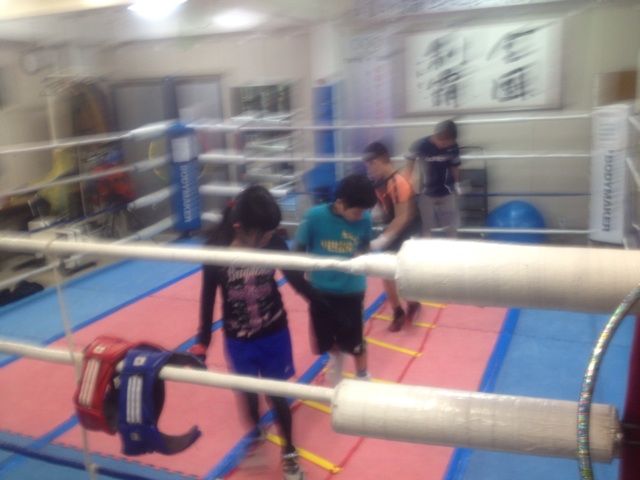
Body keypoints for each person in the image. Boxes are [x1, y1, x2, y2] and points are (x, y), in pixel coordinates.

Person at [189, 185, 318, 480]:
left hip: (274, 333)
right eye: (265, 233)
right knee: (247, 395)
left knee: (277, 395)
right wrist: (202, 342)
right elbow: (208, 297)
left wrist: (322, 303)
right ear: (242, 227)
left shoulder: (273, 243)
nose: (270, 237)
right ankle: (256, 433)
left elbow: (296, 280)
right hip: (238, 339)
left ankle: (289, 452)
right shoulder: (218, 249)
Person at [295, 174, 377, 386]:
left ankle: (363, 377)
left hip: (351, 290)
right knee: (325, 340)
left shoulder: (365, 219)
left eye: (364, 211)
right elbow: (298, 249)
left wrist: (363, 256)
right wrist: (303, 284)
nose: (360, 216)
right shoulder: (314, 217)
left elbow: (365, 246)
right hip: (320, 290)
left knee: (355, 340)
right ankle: (336, 361)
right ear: (340, 202)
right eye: (357, 211)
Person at [363, 142, 421, 332]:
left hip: (408, 229)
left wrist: (382, 239)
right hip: (393, 226)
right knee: (386, 273)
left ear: (380, 161)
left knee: (404, 273)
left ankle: (412, 302)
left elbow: (404, 216)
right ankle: (397, 311)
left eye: (370, 164)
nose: (368, 169)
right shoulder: (379, 182)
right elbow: (384, 207)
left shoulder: (398, 183)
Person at [405, 119, 462, 237]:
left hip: (447, 192)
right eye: (443, 142)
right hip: (426, 192)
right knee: (426, 227)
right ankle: (427, 246)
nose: (445, 145)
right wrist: (406, 184)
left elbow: (455, 166)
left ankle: (452, 246)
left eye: (449, 143)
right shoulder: (421, 145)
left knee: (451, 228)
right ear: (436, 135)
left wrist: (457, 184)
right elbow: (409, 163)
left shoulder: (453, 147)